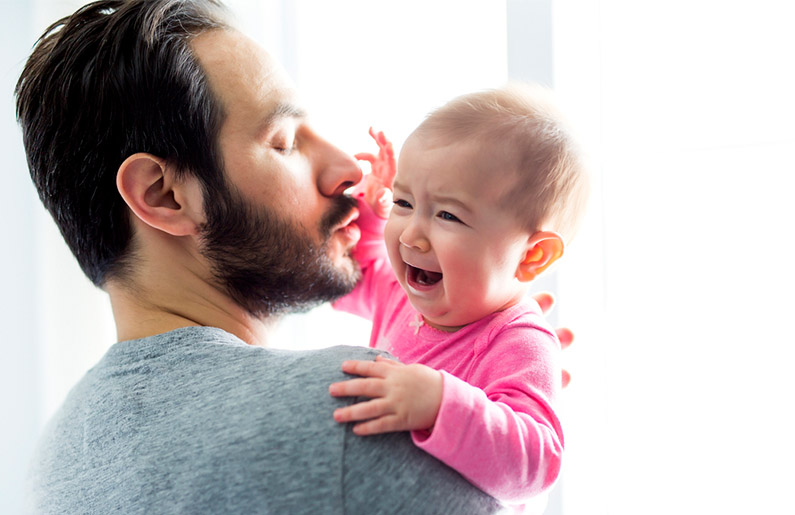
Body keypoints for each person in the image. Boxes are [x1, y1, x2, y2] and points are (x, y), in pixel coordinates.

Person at [15, 0, 570, 513]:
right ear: (164, 194)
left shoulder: (52, 461)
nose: (350, 171)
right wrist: (478, 413)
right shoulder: (360, 403)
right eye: (283, 141)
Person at [329, 87, 589, 507]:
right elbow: (351, 279)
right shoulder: (404, 294)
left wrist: (440, 403)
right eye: (405, 201)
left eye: (447, 214)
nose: (412, 233)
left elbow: (537, 464)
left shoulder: (519, 340)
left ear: (532, 254)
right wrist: (373, 213)